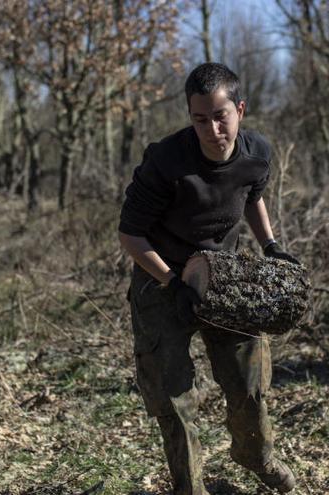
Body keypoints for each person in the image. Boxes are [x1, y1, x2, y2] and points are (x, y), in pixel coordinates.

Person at [117, 63, 299, 495]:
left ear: (240, 109)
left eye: (221, 116)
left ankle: (257, 457)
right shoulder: (166, 161)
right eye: (200, 119)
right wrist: (172, 282)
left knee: (249, 385)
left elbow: (251, 196)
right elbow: (130, 233)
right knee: (174, 399)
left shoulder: (257, 152)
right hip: (159, 279)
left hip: (225, 279)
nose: (211, 128)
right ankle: (190, 488)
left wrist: (270, 244)